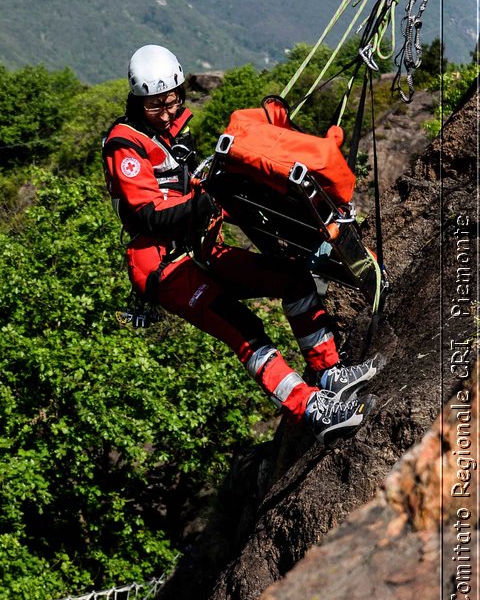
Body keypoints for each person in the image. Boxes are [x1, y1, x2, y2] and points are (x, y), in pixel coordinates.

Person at [102, 44, 384, 445]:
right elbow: (148, 214)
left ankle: (329, 373)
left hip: (197, 250)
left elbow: (190, 193)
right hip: (163, 265)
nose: (166, 113)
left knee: (293, 280)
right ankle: (313, 410)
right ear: (137, 100)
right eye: (154, 106)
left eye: (171, 102)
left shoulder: (168, 133)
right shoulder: (124, 144)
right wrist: (205, 198)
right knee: (244, 330)